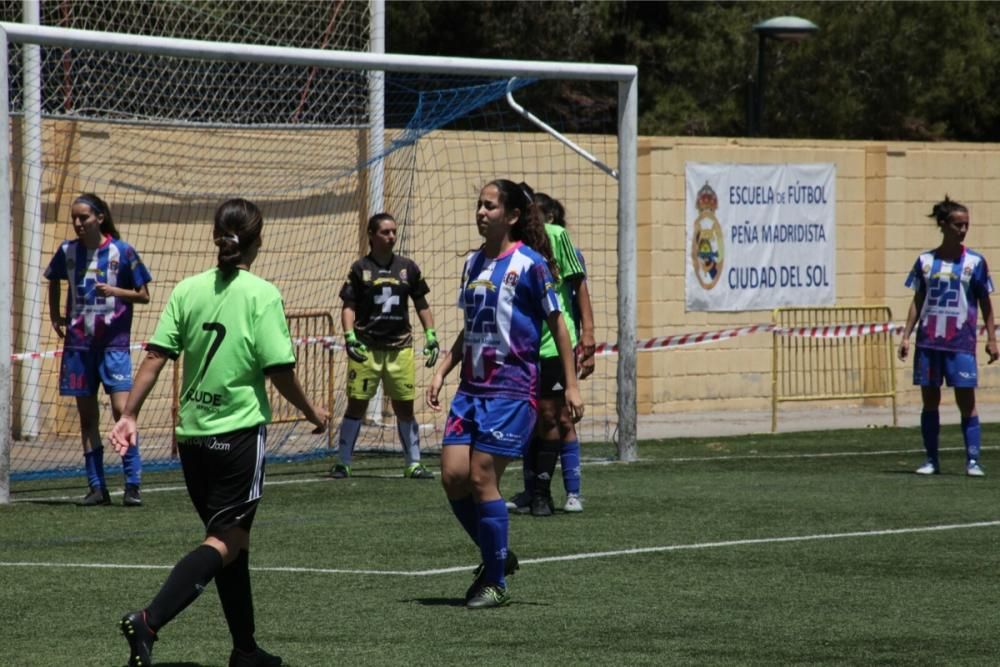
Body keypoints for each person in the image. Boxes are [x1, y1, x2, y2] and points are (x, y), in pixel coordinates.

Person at [109, 199, 328, 667]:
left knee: (233, 543)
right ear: (258, 240)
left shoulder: (187, 290)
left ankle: (245, 651)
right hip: (238, 438)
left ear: (216, 236)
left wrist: (128, 415)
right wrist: (313, 411)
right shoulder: (262, 294)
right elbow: (280, 370)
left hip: (192, 439)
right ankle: (149, 621)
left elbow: (153, 357)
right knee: (225, 542)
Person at [426, 179, 583, 609]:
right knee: (453, 477)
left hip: (511, 391)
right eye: (478, 205)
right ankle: (498, 556)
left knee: (481, 479)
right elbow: (471, 327)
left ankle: (495, 582)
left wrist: (570, 384)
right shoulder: (473, 263)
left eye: (489, 206)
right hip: (470, 391)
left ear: (511, 216)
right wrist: (443, 370)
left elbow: (558, 324)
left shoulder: (531, 264)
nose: (480, 212)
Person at [45, 193, 151, 507]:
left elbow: (144, 295)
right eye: (74, 218)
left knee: (123, 411)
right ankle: (96, 486)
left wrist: (115, 291)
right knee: (87, 419)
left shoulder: (123, 251)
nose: (78, 223)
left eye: (84, 218)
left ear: (100, 218)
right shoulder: (67, 251)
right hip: (78, 347)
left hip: (113, 347)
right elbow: (52, 278)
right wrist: (55, 314)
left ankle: (132, 484)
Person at [329, 212, 439, 480]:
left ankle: (413, 463)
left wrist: (431, 334)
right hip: (366, 349)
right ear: (371, 235)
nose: (391, 237)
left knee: (405, 408)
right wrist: (349, 336)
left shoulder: (408, 268)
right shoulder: (359, 269)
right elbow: (348, 306)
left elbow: (421, 303)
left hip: (400, 349)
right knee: (357, 405)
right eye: (385, 232)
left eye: (393, 231)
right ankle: (343, 463)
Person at [506, 190, 596, 516]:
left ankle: (560, 491)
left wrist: (588, 335)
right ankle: (533, 491)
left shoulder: (558, 237)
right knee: (532, 420)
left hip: (555, 344)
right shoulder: (511, 247)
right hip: (523, 345)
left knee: (555, 416)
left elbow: (579, 286)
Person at [898, 196, 998, 477]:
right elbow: (918, 299)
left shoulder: (975, 262)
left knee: (966, 402)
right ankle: (932, 460)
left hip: (960, 344)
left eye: (966, 225)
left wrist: (991, 338)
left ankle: (973, 461)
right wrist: (906, 335)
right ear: (943, 225)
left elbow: (986, 303)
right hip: (928, 343)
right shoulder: (926, 261)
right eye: (957, 224)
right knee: (930, 401)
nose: (963, 230)